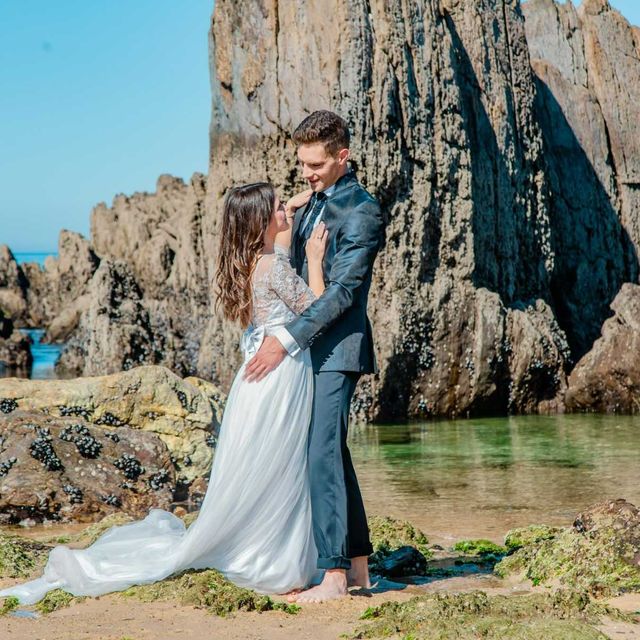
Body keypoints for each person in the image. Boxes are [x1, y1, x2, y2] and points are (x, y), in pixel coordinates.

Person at [0, 182, 330, 604]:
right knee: (281, 467)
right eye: (279, 207)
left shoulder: (253, 263)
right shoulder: (274, 269)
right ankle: (273, 559)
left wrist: (291, 211)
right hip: (280, 377)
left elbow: (278, 253)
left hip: (254, 385)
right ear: (261, 222)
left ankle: (261, 547)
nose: (287, 209)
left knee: (261, 468)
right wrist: (317, 262)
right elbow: (318, 311)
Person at [244, 110, 385, 603]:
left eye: (316, 165)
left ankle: (332, 576)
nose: (306, 172)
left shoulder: (363, 212)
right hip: (310, 350)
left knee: (320, 452)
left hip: (338, 350)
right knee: (333, 453)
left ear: (342, 157)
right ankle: (361, 569)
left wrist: (285, 341)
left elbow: (344, 292)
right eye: (302, 163)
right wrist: (306, 196)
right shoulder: (313, 202)